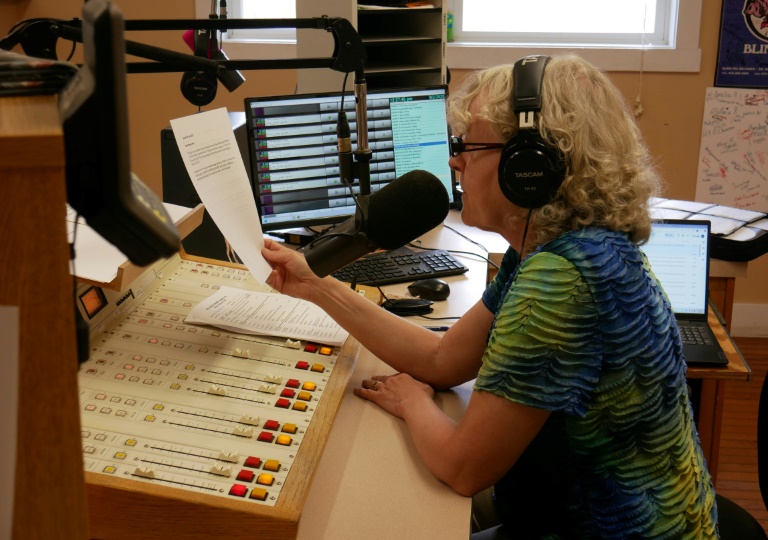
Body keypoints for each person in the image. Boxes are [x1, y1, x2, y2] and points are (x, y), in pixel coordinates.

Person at [261, 53, 718, 539]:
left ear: (530, 165)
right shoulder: (559, 248)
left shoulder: (559, 282)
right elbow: (442, 359)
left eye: (469, 146)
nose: (454, 160)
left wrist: (413, 402)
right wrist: (315, 284)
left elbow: (464, 469)